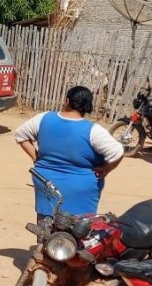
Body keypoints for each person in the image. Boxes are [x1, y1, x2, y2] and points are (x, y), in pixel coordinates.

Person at [13, 86, 124, 218]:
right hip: (80, 189)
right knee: (78, 227)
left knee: (46, 223)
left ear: (67, 101)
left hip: (45, 182)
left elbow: (20, 135)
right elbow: (117, 151)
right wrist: (106, 169)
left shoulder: (43, 118)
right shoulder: (94, 131)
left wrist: (36, 158)